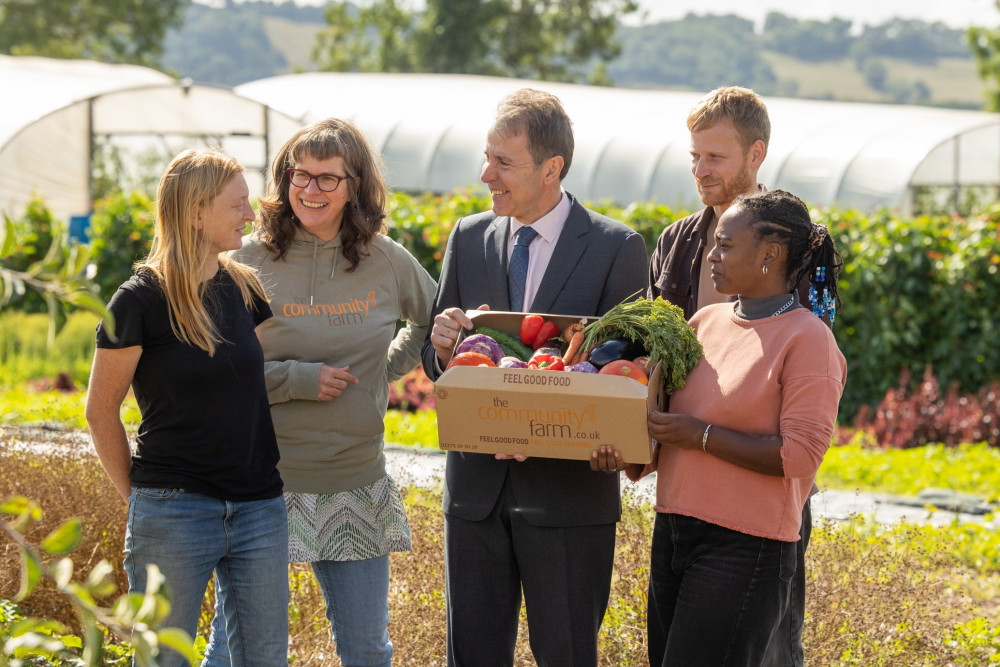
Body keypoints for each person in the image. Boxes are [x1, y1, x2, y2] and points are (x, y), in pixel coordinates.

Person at [421, 88, 648, 667]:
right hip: (475, 498)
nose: (484, 174)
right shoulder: (468, 238)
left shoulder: (616, 247)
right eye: (487, 157)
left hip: (569, 496)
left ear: (552, 168)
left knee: (568, 654)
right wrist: (442, 344)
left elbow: (627, 370)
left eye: (503, 163)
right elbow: (439, 360)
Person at [598, 188, 846, 666]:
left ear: (770, 254)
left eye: (727, 245)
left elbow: (798, 457)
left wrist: (700, 436)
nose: (711, 254)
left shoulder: (808, 338)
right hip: (673, 530)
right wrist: (625, 450)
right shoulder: (704, 323)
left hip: (746, 548)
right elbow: (666, 430)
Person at [224, 117, 437, 667]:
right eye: (300, 174)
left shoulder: (386, 261)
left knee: (366, 651)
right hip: (259, 485)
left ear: (356, 188)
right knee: (232, 652)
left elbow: (432, 321)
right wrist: (293, 380)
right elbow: (210, 366)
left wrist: (384, 369)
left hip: (352, 482)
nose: (310, 190)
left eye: (328, 179)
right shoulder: (244, 263)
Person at [85, 148, 289, 667]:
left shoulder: (244, 288)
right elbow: (99, 410)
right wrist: (141, 499)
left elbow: (248, 385)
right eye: (238, 204)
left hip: (259, 508)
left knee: (264, 659)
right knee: (162, 661)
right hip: (174, 511)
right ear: (196, 213)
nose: (250, 215)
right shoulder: (137, 301)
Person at [647, 85, 813, 667]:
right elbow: (655, 363)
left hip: (758, 493)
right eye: (694, 156)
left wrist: (709, 434)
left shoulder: (795, 243)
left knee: (766, 647)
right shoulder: (677, 241)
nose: (700, 169)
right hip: (684, 492)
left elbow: (807, 366)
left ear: (755, 154)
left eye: (714, 157)